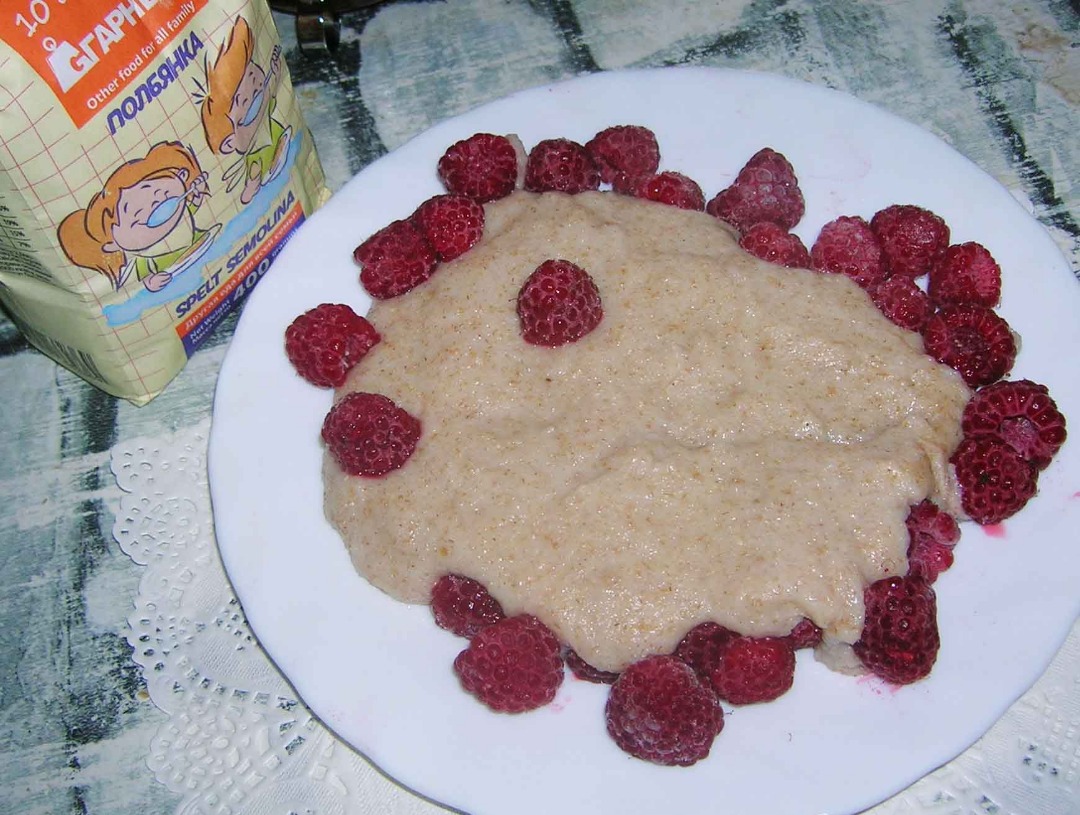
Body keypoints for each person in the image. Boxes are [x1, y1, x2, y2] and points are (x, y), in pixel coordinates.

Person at [58, 141, 215, 292]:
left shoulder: (182, 213)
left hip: (205, 246)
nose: (154, 200)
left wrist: (197, 190)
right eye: (130, 209)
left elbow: (193, 206)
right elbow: (145, 278)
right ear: (111, 245)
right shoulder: (145, 257)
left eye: (150, 187)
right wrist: (151, 282)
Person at [201, 16, 293, 205]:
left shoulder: (266, 108)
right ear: (229, 141)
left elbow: (273, 96)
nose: (255, 83)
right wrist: (253, 185)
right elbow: (246, 196)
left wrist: (275, 71)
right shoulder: (254, 158)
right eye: (241, 99)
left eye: (253, 75)